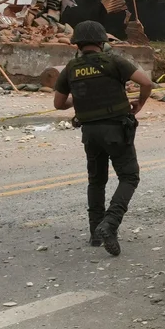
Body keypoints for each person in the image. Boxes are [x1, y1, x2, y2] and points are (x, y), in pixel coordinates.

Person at [53, 21, 153, 256]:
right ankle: (110, 223)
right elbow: (147, 83)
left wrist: (79, 100)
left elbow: (59, 104)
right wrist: (140, 103)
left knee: (96, 181)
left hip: (90, 133)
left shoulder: (71, 68)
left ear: (77, 44)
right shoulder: (114, 61)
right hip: (116, 130)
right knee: (129, 177)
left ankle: (95, 234)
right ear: (102, 42)